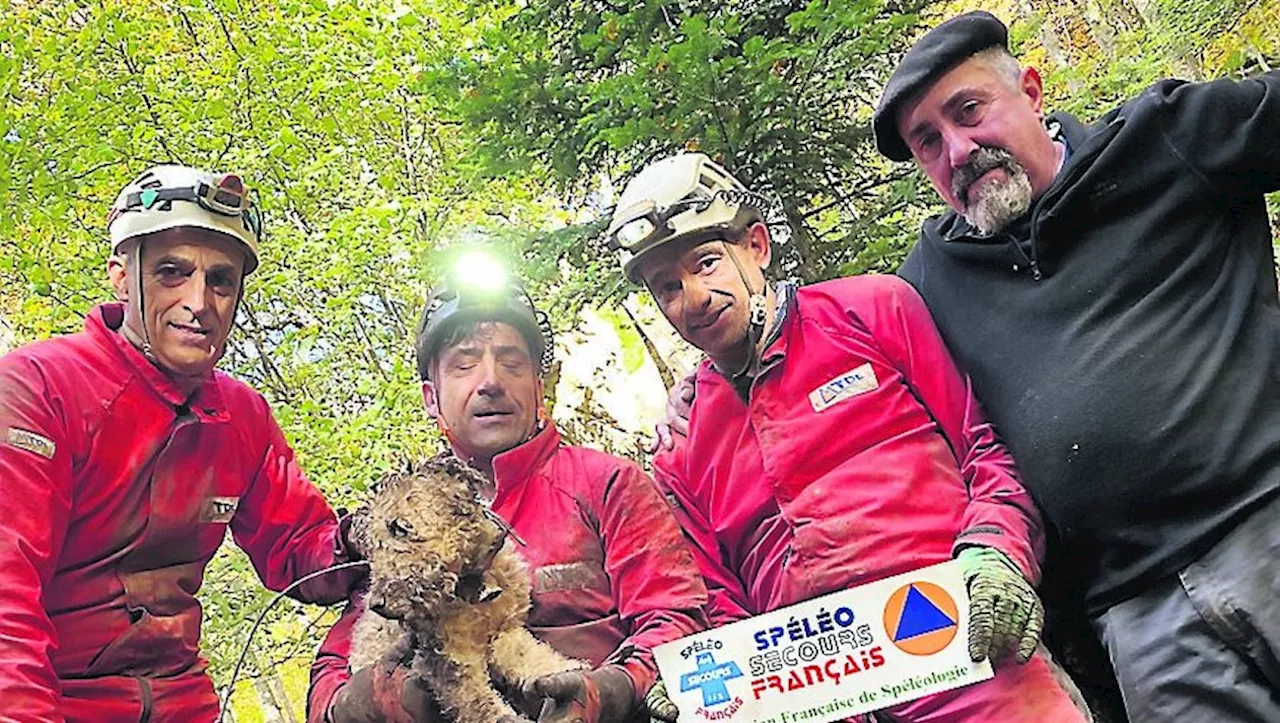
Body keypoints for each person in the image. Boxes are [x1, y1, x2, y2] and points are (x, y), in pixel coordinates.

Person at [872, 11, 1280, 720]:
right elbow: (838, 359)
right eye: (928, 143)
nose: (959, 150)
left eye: (969, 111)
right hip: (1144, 621)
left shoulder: (1161, 140)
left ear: (1030, 90)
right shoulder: (930, 280)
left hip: (1265, 517)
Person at [608, 152, 1087, 721]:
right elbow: (716, 596)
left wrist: (999, 552)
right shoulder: (682, 443)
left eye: (706, 262)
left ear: (756, 246)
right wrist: (706, 680)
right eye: (667, 287)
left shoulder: (872, 310)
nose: (693, 296)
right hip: (810, 696)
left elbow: (986, 444)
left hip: (967, 648)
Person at [0, 165, 365, 721]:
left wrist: (371, 540)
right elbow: (6, 591)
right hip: (52, 700)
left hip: (181, 702)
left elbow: (300, 549)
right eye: (173, 272)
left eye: (221, 281)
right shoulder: (40, 388)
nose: (200, 301)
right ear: (123, 278)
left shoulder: (241, 417)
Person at [307, 260, 710, 723]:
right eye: (464, 364)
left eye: (512, 361)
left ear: (540, 386)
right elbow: (332, 669)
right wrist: (364, 702)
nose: (491, 381)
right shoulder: (401, 520)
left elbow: (677, 618)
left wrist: (614, 689)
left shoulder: (607, 484)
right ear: (430, 397)